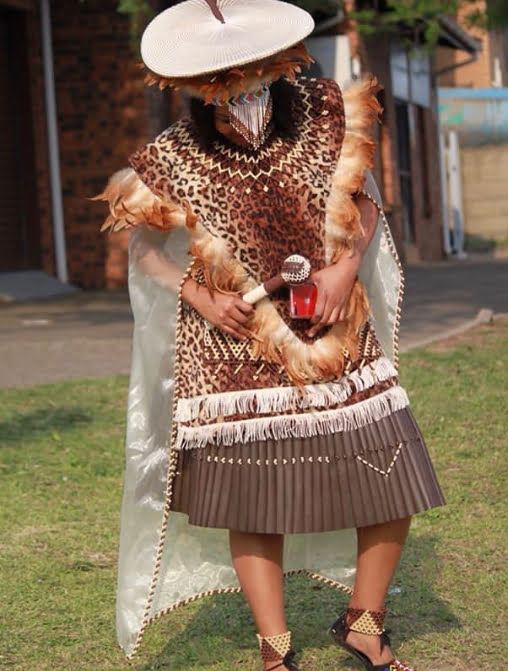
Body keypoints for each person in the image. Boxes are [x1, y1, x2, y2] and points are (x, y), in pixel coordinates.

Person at [96, 1, 445, 670]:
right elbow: (141, 246)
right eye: (217, 79)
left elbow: (366, 196)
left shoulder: (322, 111)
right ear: (196, 85)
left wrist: (345, 270)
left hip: (334, 333)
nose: (236, 89)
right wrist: (199, 295)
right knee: (255, 506)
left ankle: (364, 623)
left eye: (247, 72)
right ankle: (275, 652)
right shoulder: (176, 153)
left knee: (393, 476)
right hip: (233, 356)